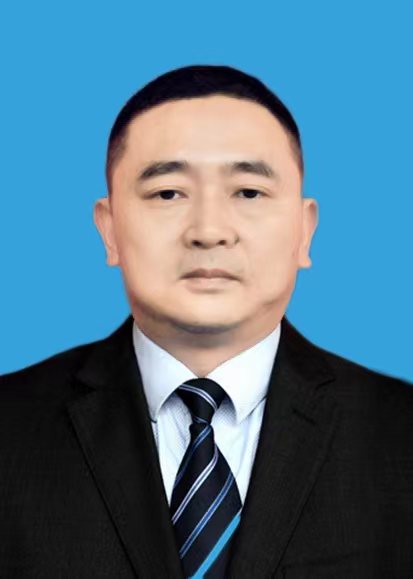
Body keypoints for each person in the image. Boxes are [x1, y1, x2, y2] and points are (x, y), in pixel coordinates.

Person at [1, 65, 412, 579]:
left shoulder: (400, 435)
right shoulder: (10, 429)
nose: (209, 231)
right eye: (168, 193)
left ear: (304, 231)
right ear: (109, 230)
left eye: (248, 192)